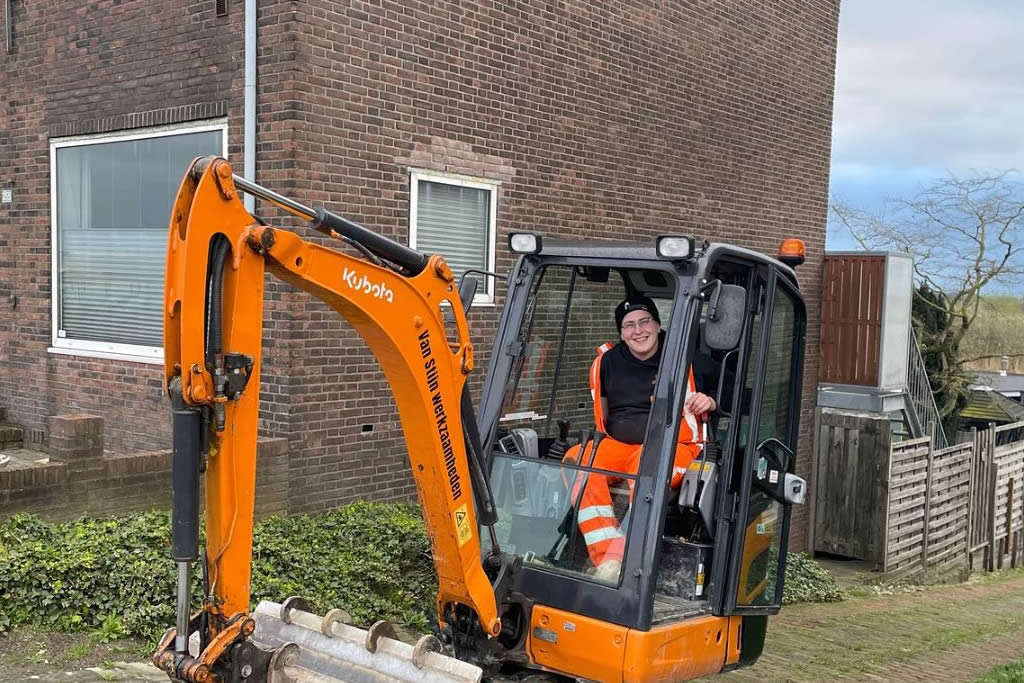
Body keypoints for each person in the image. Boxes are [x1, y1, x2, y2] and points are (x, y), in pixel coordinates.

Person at [566, 295, 723, 582]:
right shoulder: (606, 363)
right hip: (619, 445)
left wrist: (711, 402)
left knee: (647, 464)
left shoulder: (686, 359)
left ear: (658, 324)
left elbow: (736, 388)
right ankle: (609, 560)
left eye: (644, 321)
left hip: (676, 445)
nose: (638, 331)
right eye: (629, 326)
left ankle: (637, 560)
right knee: (579, 459)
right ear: (621, 333)